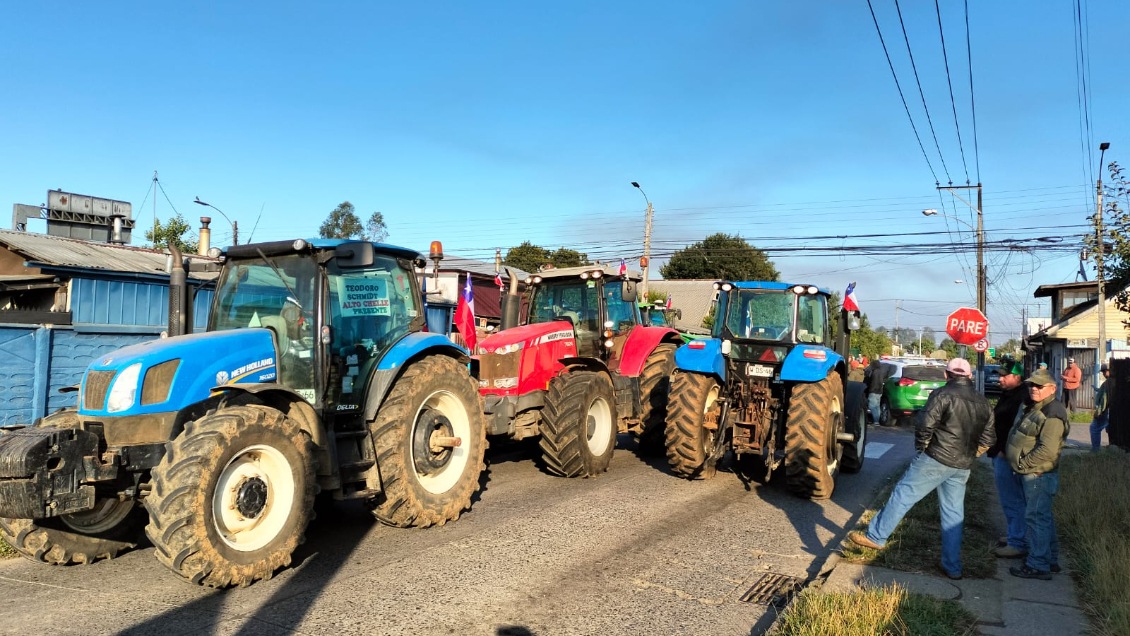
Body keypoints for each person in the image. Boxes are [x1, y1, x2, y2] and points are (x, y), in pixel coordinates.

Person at [849, 358, 995, 580]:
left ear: (947, 375)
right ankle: (953, 566)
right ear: (969, 377)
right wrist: (970, 455)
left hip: (935, 458)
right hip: (962, 465)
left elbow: (924, 425)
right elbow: (988, 439)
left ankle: (877, 536)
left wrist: (923, 449)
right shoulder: (984, 402)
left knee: (903, 494)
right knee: (953, 514)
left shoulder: (942, 395)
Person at [1006, 368, 1070, 580]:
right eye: (1031, 385)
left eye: (1039, 386)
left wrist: (1024, 464)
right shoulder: (1038, 406)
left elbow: (1048, 450)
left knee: (1036, 519)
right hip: (1035, 473)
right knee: (1043, 517)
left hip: (1038, 474)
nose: (1034, 389)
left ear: (1052, 388)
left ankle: (1038, 564)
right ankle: (1049, 559)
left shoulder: (1053, 412)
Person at [986, 357, 1030, 558]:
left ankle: (1017, 542)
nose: (1000, 380)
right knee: (1014, 499)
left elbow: (1018, 428)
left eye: (1004, 376)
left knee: (1013, 500)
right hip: (1003, 452)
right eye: (1000, 376)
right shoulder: (1009, 394)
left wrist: (1004, 449)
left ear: (1017, 377)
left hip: (1008, 455)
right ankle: (1016, 534)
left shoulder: (1021, 398)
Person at [1090, 364, 1112, 451]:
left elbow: (1104, 398)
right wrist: (1097, 389)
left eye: (1104, 371)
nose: (1103, 374)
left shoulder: (1108, 383)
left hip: (1105, 410)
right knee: (1110, 429)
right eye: (1102, 372)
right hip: (1110, 410)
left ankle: (1095, 450)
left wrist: (1098, 411)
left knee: (1094, 428)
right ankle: (1113, 447)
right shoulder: (1110, 382)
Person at [864, 359, 886, 424]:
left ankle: (876, 421)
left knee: (872, 406)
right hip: (879, 391)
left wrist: (870, 390)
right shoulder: (881, 372)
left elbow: (873, 382)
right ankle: (877, 421)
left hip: (873, 391)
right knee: (877, 406)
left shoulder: (874, 372)